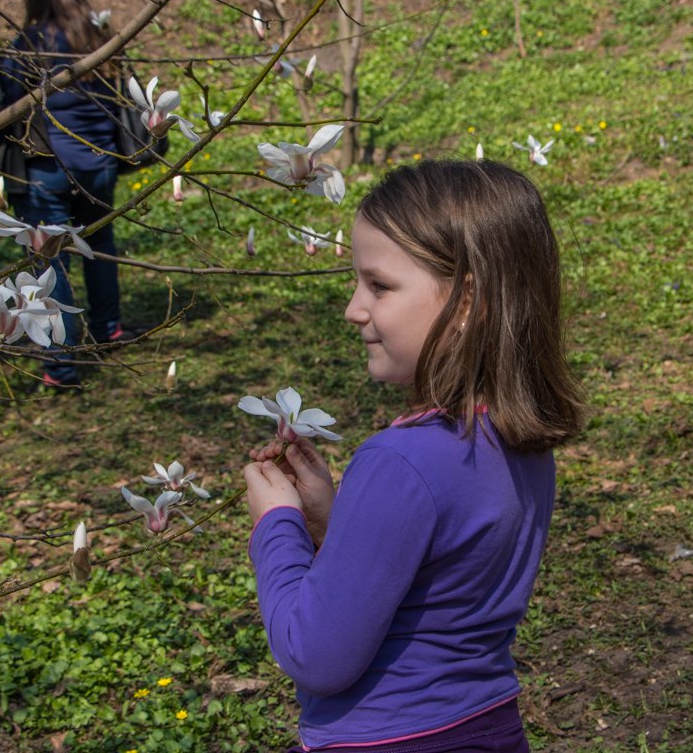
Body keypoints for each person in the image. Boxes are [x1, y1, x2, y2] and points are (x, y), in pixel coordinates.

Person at [242, 159, 587, 751]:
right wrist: (335, 519)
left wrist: (278, 528)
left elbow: (316, 655)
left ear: (466, 299)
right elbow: (439, 585)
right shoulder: (519, 443)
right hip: (490, 727)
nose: (354, 308)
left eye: (379, 285)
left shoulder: (400, 461)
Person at [0, 0, 128, 387]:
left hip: (49, 169)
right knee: (99, 246)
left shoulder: (29, 45)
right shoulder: (99, 35)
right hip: (100, 163)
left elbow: (9, 109)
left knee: (49, 265)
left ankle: (61, 362)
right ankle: (109, 328)